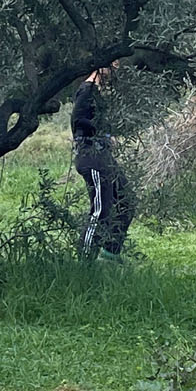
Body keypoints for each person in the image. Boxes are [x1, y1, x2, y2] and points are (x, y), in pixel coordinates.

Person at [72, 67, 133, 261]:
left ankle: (110, 254)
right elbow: (78, 121)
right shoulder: (87, 91)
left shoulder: (98, 93)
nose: (116, 69)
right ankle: (84, 260)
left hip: (104, 156)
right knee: (100, 211)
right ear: (101, 67)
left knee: (126, 201)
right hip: (92, 157)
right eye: (113, 65)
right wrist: (101, 132)